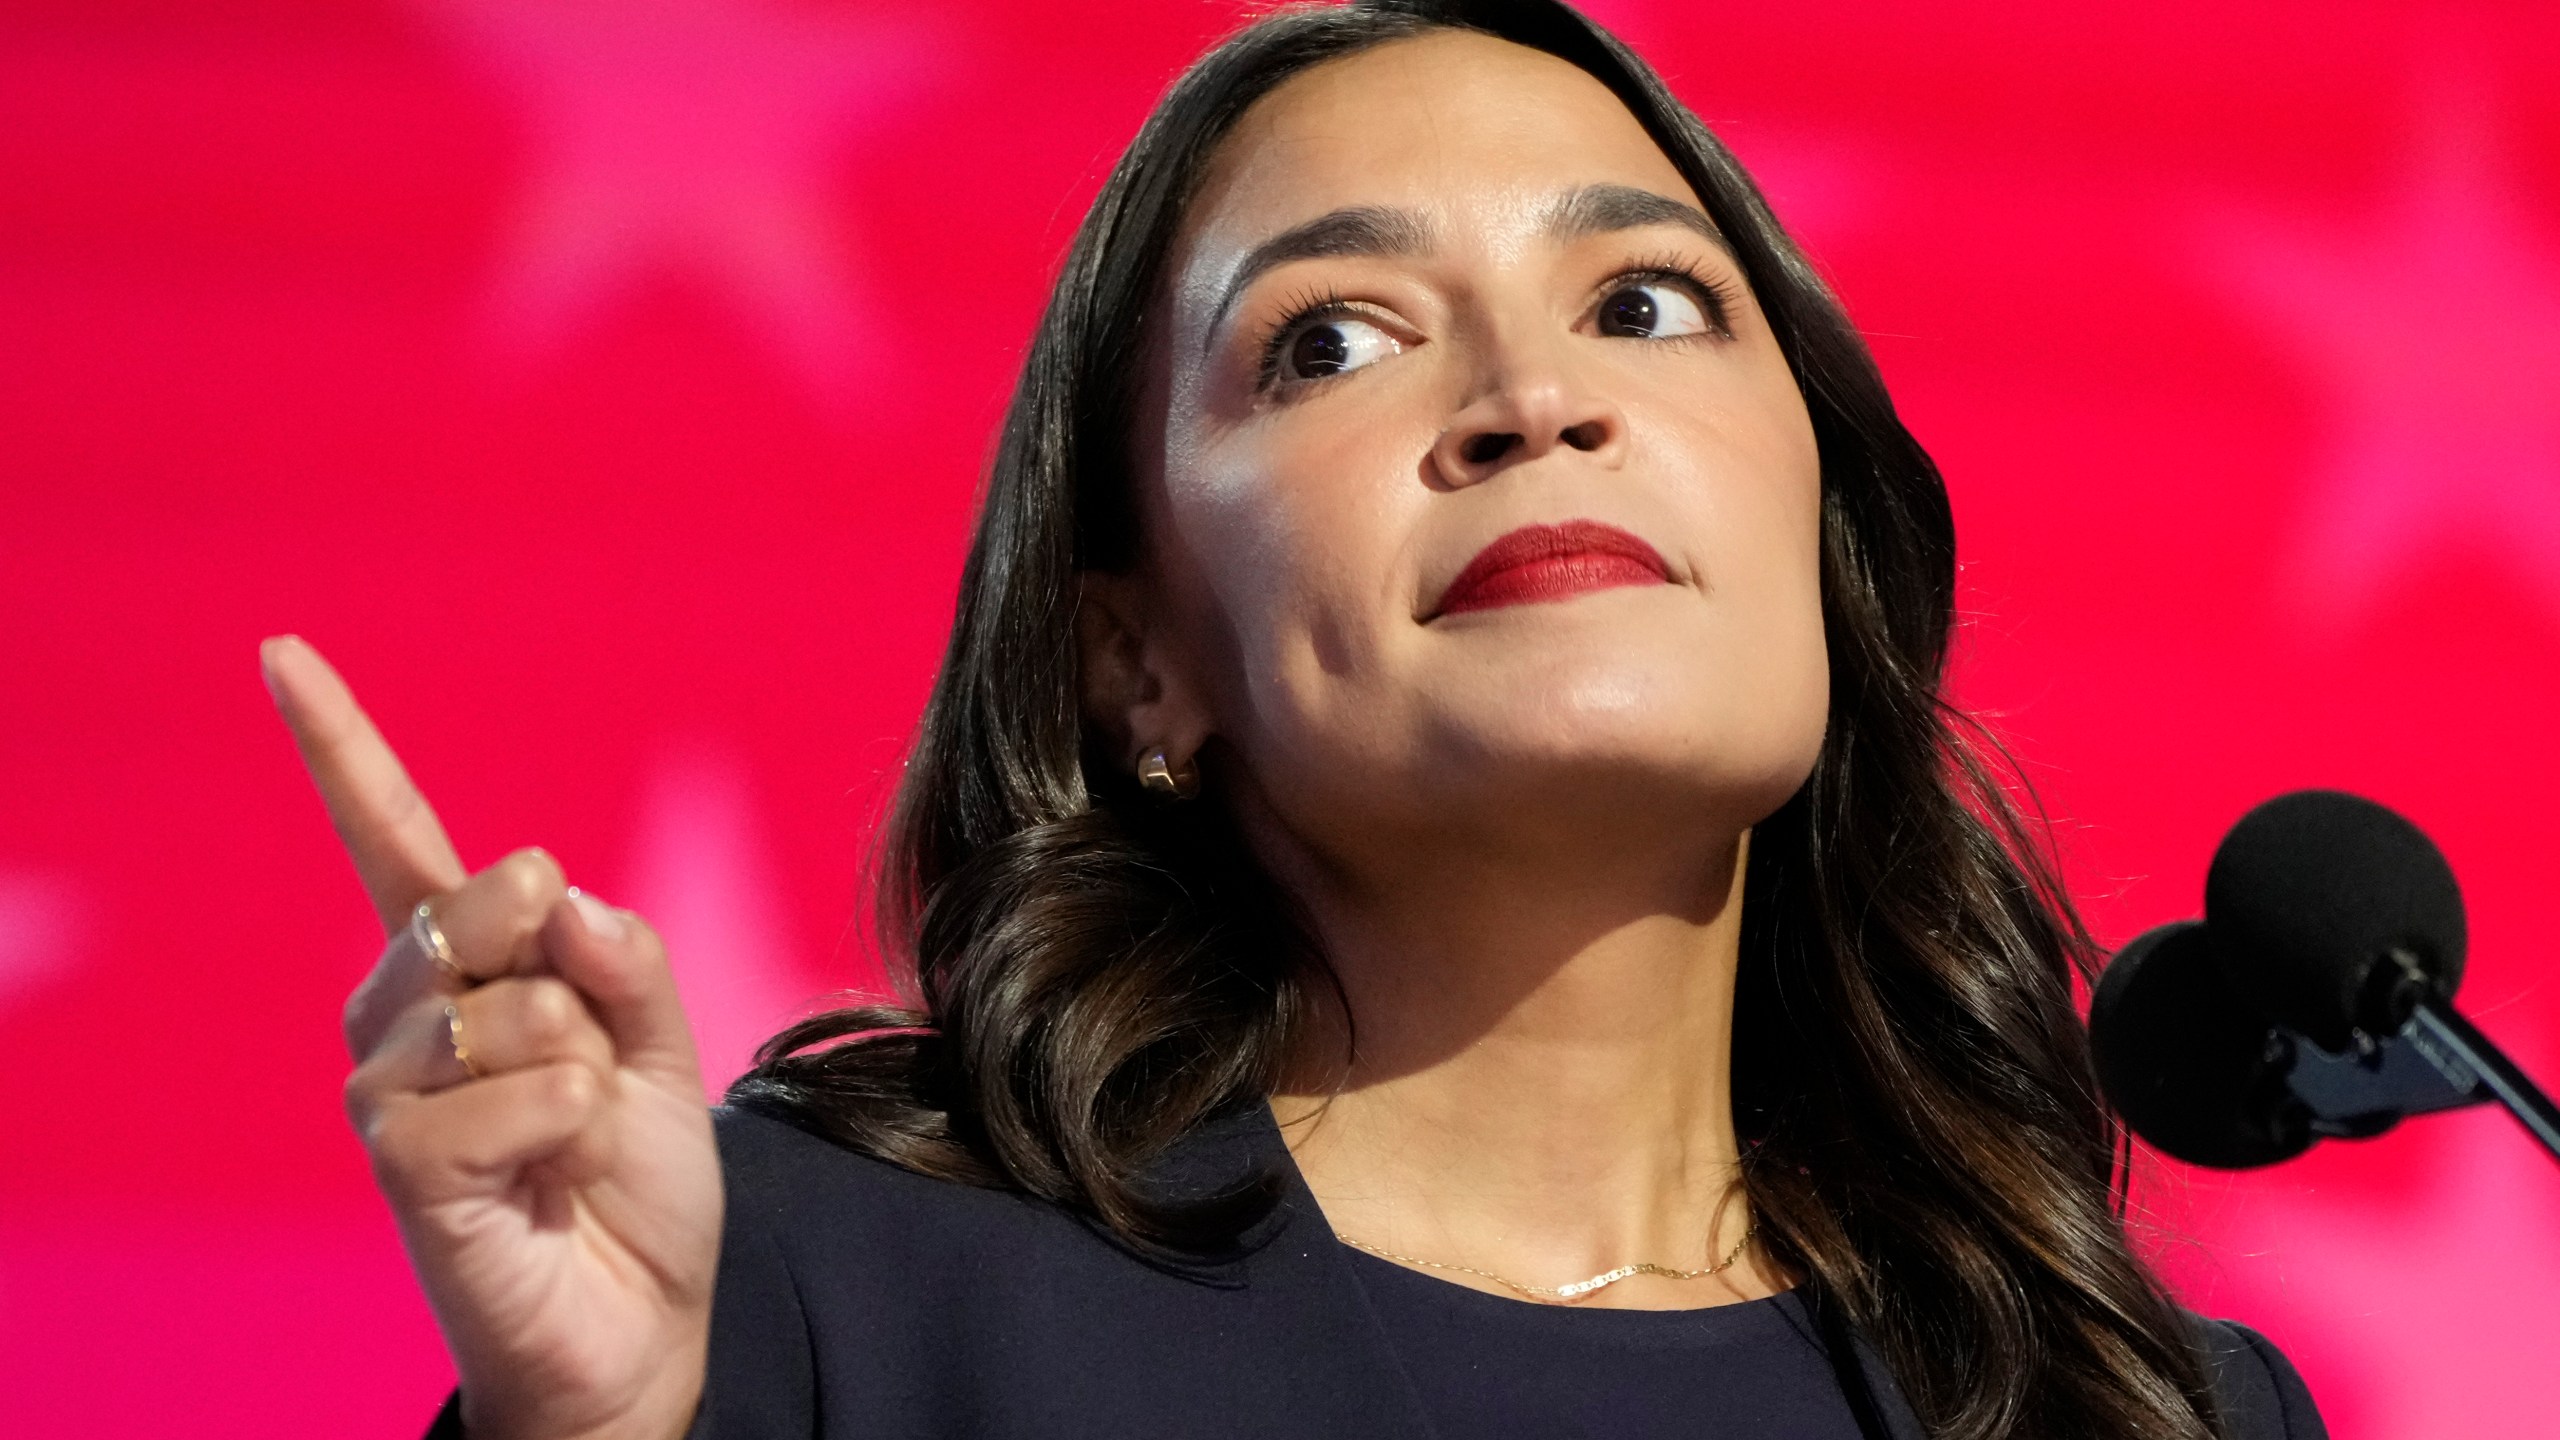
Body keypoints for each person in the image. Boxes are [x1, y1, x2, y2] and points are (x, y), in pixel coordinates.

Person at [263, 2, 2328, 1437]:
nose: (1535, 397)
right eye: (1330, 339)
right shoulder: (826, 1301)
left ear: (1820, 534)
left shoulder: (2149, 1411)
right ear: (1134, 657)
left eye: (1641, 303)